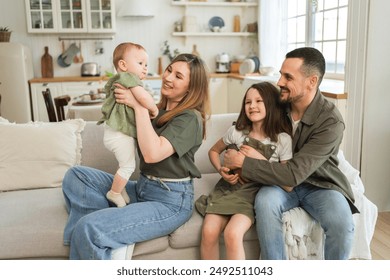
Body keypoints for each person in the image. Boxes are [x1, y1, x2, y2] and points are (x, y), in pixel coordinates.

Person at [62, 53, 210, 259]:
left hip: (170, 201)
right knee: (76, 176)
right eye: (169, 70)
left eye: (178, 76)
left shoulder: (190, 118)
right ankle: (108, 236)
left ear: (191, 88)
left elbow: (151, 154)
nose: (168, 77)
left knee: (88, 228)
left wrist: (138, 105)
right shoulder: (156, 111)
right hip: (142, 188)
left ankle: (98, 236)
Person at [223, 47, 358, 260]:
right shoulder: (278, 103)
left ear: (311, 81)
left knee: (343, 224)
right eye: (280, 74)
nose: (279, 82)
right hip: (277, 184)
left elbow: (293, 175)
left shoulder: (330, 121)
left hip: (319, 185)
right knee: (265, 202)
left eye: (288, 77)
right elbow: (244, 126)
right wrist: (231, 155)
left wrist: (245, 162)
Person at [195, 82, 292, 260]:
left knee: (232, 234)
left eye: (258, 101)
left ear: (271, 104)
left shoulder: (282, 140)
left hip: (252, 195)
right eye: (248, 102)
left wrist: (258, 159)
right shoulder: (237, 132)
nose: (252, 106)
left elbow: (286, 179)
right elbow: (214, 151)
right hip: (227, 189)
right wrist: (221, 170)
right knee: (208, 231)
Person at [97, 42, 159, 208]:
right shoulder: (128, 78)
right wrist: (153, 108)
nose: (145, 68)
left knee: (124, 163)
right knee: (129, 165)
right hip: (119, 135)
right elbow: (144, 98)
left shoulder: (122, 78)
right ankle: (114, 193)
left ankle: (120, 187)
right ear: (123, 65)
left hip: (115, 133)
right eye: (140, 64)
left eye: (146, 64)